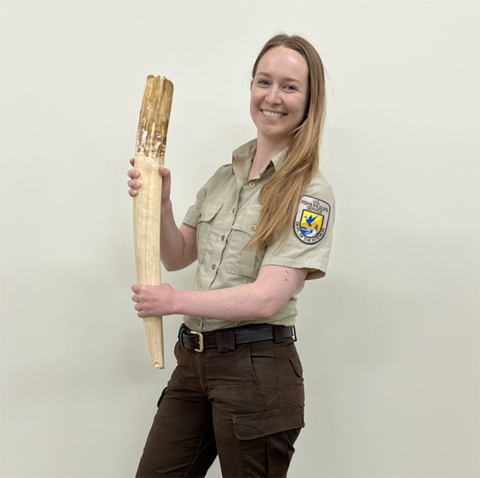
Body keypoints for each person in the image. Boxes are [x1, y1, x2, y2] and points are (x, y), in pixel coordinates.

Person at [127, 33, 335, 478]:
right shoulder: (225, 177)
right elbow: (178, 254)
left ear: (309, 99)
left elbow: (266, 299)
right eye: (264, 81)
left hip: (256, 371)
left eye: (290, 86)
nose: (273, 97)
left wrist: (173, 302)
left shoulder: (310, 192)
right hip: (194, 364)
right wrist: (159, 203)